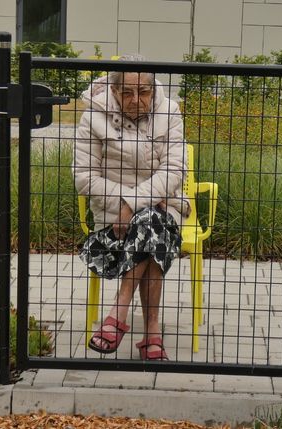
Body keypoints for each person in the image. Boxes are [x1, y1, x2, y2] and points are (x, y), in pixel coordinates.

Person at [73, 54, 189, 361]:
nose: (136, 100)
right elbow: (84, 179)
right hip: (115, 214)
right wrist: (131, 203)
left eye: (144, 92)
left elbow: (175, 171)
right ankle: (152, 332)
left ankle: (118, 312)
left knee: (151, 221)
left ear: (153, 90)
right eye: (127, 93)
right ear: (113, 91)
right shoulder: (93, 116)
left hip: (159, 210)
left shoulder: (171, 112)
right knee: (152, 225)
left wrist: (132, 204)